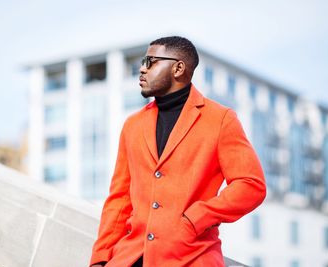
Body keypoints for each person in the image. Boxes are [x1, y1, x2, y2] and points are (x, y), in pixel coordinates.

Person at [90, 36, 266, 267]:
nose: (142, 69)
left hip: (192, 257)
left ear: (178, 68)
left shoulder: (220, 119)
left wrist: (199, 217)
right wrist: (101, 257)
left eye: (151, 61)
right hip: (130, 257)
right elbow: (120, 198)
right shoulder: (133, 125)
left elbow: (250, 185)